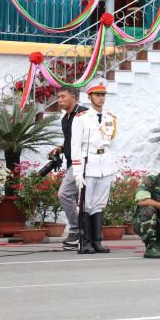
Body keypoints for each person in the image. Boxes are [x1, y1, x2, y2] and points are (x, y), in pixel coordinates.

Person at [70, 80, 118, 255]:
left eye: (103, 95)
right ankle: (85, 242)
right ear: (89, 97)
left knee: (99, 204)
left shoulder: (110, 118)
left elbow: (113, 144)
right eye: (98, 95)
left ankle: (97, 241)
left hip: (105, 163)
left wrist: (114, 165)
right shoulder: (81, 118)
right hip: (87, 163)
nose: (101, 98)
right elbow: (75, 146)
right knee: (85, 204)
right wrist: (76, 171)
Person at [47, 87, 87, 250]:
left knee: (65, 193)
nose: (59, 100)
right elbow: (72, 140)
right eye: (58, 97)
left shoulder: (84, 114)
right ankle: (83, 234)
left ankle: (76, 230)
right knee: (81, 199)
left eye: (63, 96)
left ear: (74, 97)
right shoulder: (65, 118)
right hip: (71, 162)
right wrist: (61, 148)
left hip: (84, 162)